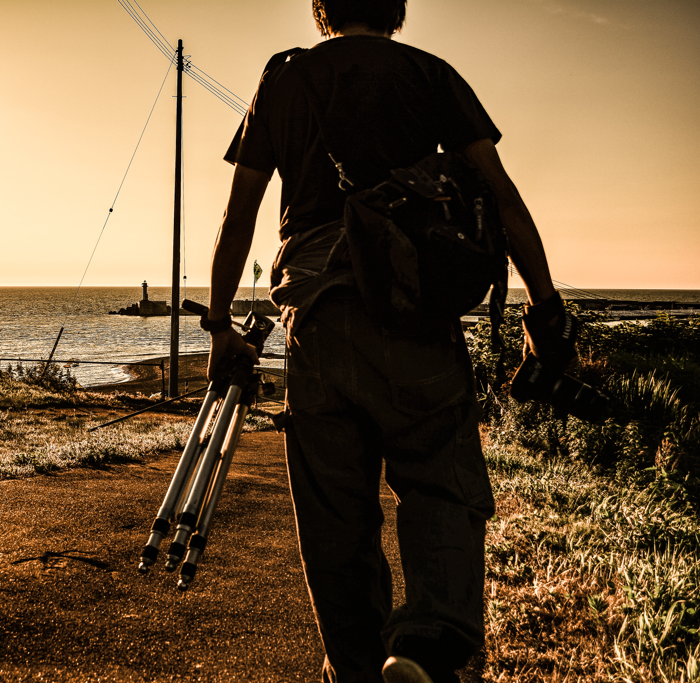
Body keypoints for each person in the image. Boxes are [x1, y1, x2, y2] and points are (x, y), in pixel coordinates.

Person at [202, 1, 568, 682]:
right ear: (395, 6)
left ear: (322, 7)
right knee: (442, 484)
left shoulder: (284, 77)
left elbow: (239, 214)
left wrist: (221, 323)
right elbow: (503, 197)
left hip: (317, 316)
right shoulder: (430, 74)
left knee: (335, 516)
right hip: (412, 310)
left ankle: (357, 664)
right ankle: (424, 647)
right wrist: (545, 314)